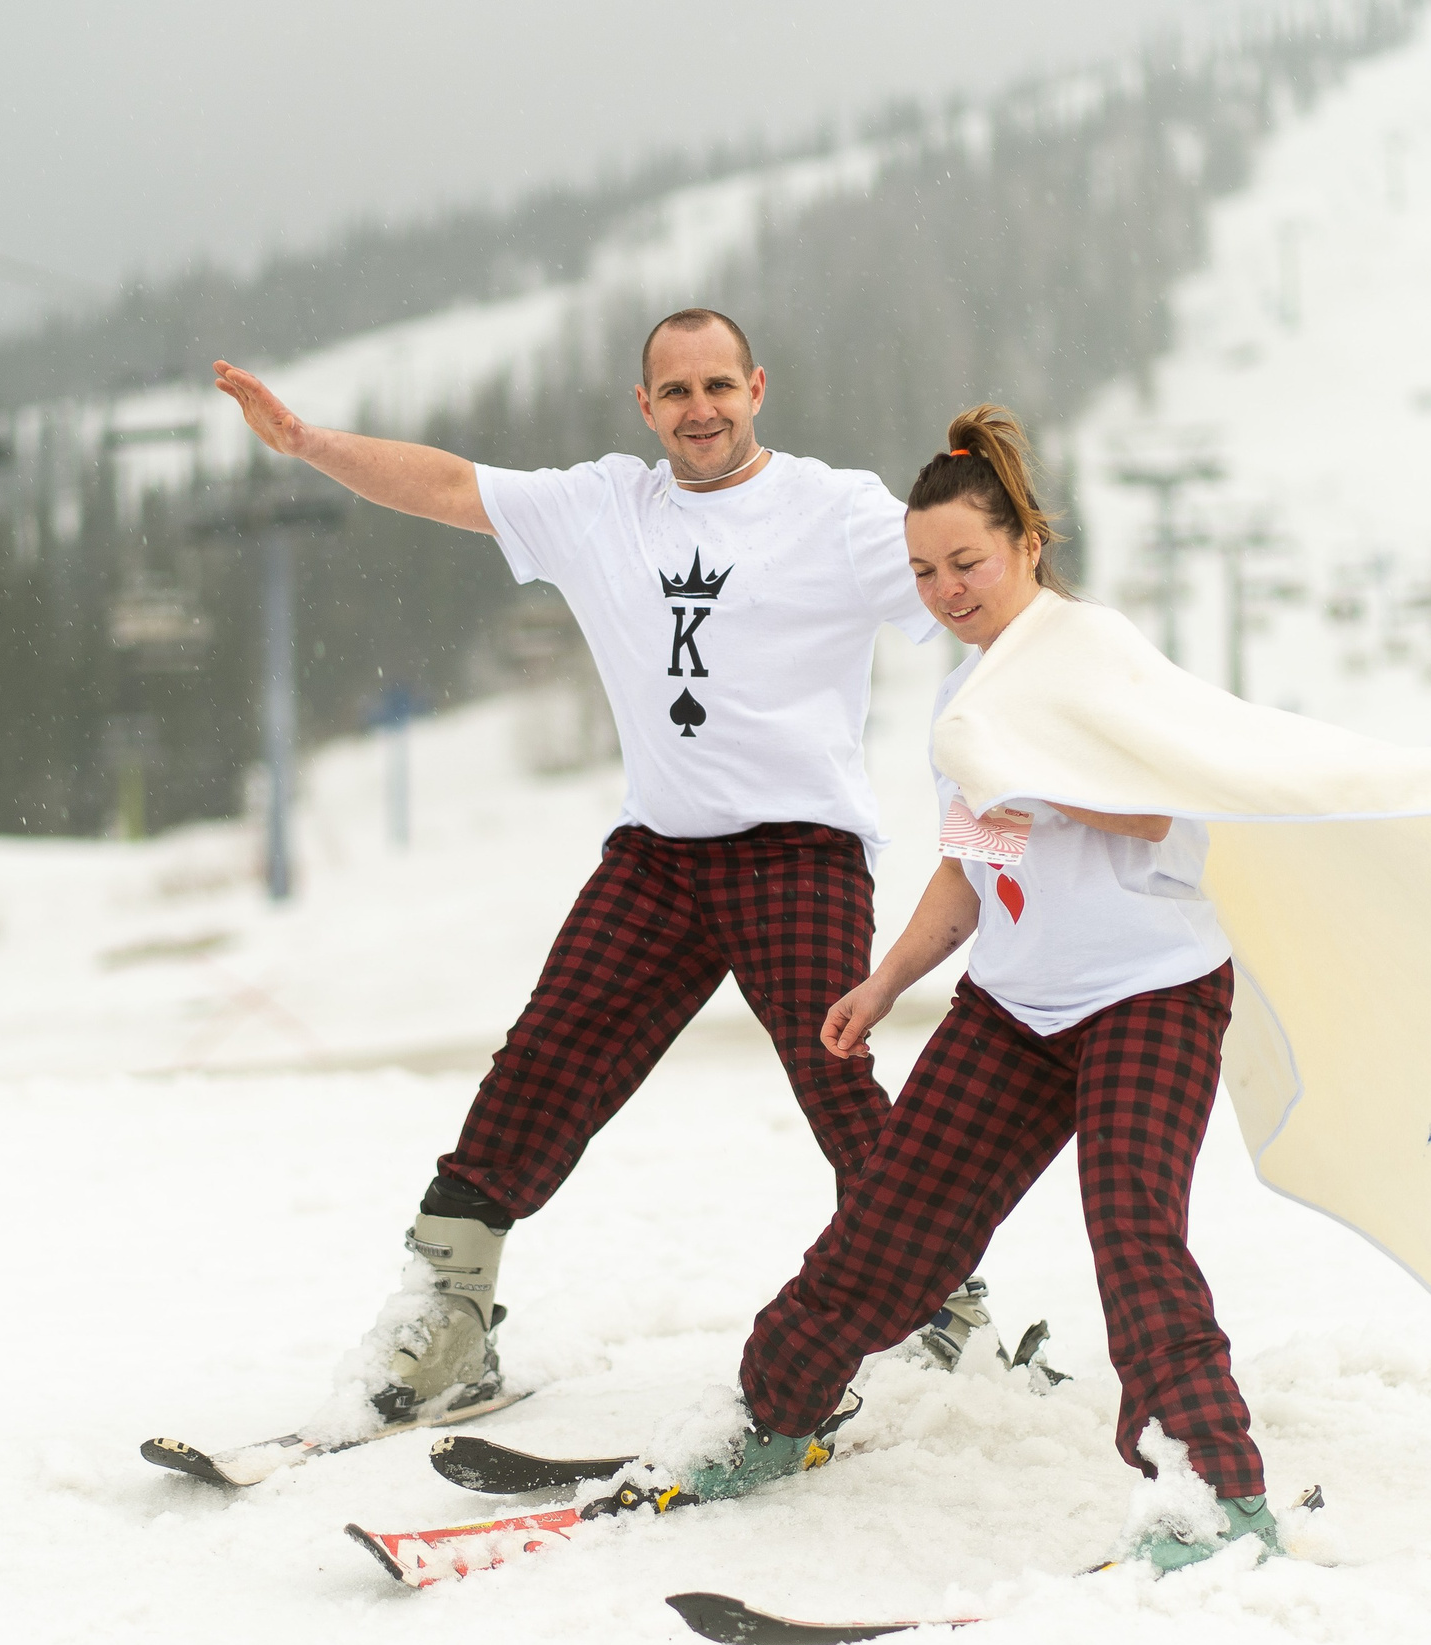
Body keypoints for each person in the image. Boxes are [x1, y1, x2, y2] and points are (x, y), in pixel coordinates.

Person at [211, 309, 996, 1432]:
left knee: (835, 1077)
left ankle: (938, 1303)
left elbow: (968, 591)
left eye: (718, 385)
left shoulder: (836, 510)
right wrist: (309, 445)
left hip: (798, 847)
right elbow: (443, 485)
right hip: (658, 855)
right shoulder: (601, 507)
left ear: (758, 387)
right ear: (645, 408)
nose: (700, 410)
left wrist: (1061, 693)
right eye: (675, 393)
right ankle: (449, 1312)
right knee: (544, 1060)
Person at [636, 403, 1280, 1574]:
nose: (944, 589)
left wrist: (1032, 768)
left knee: (1132, 1230)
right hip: (1015, 1007)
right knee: (887, 1229)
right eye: (923, 570)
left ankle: (1216, 1494)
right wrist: (883, 982)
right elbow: (977, 860)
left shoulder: (1096, 651)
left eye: (966, 562)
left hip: (1149, 992)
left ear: (1027, 543)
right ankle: (773, 1417)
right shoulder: (964, 691)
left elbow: (1152, 808)